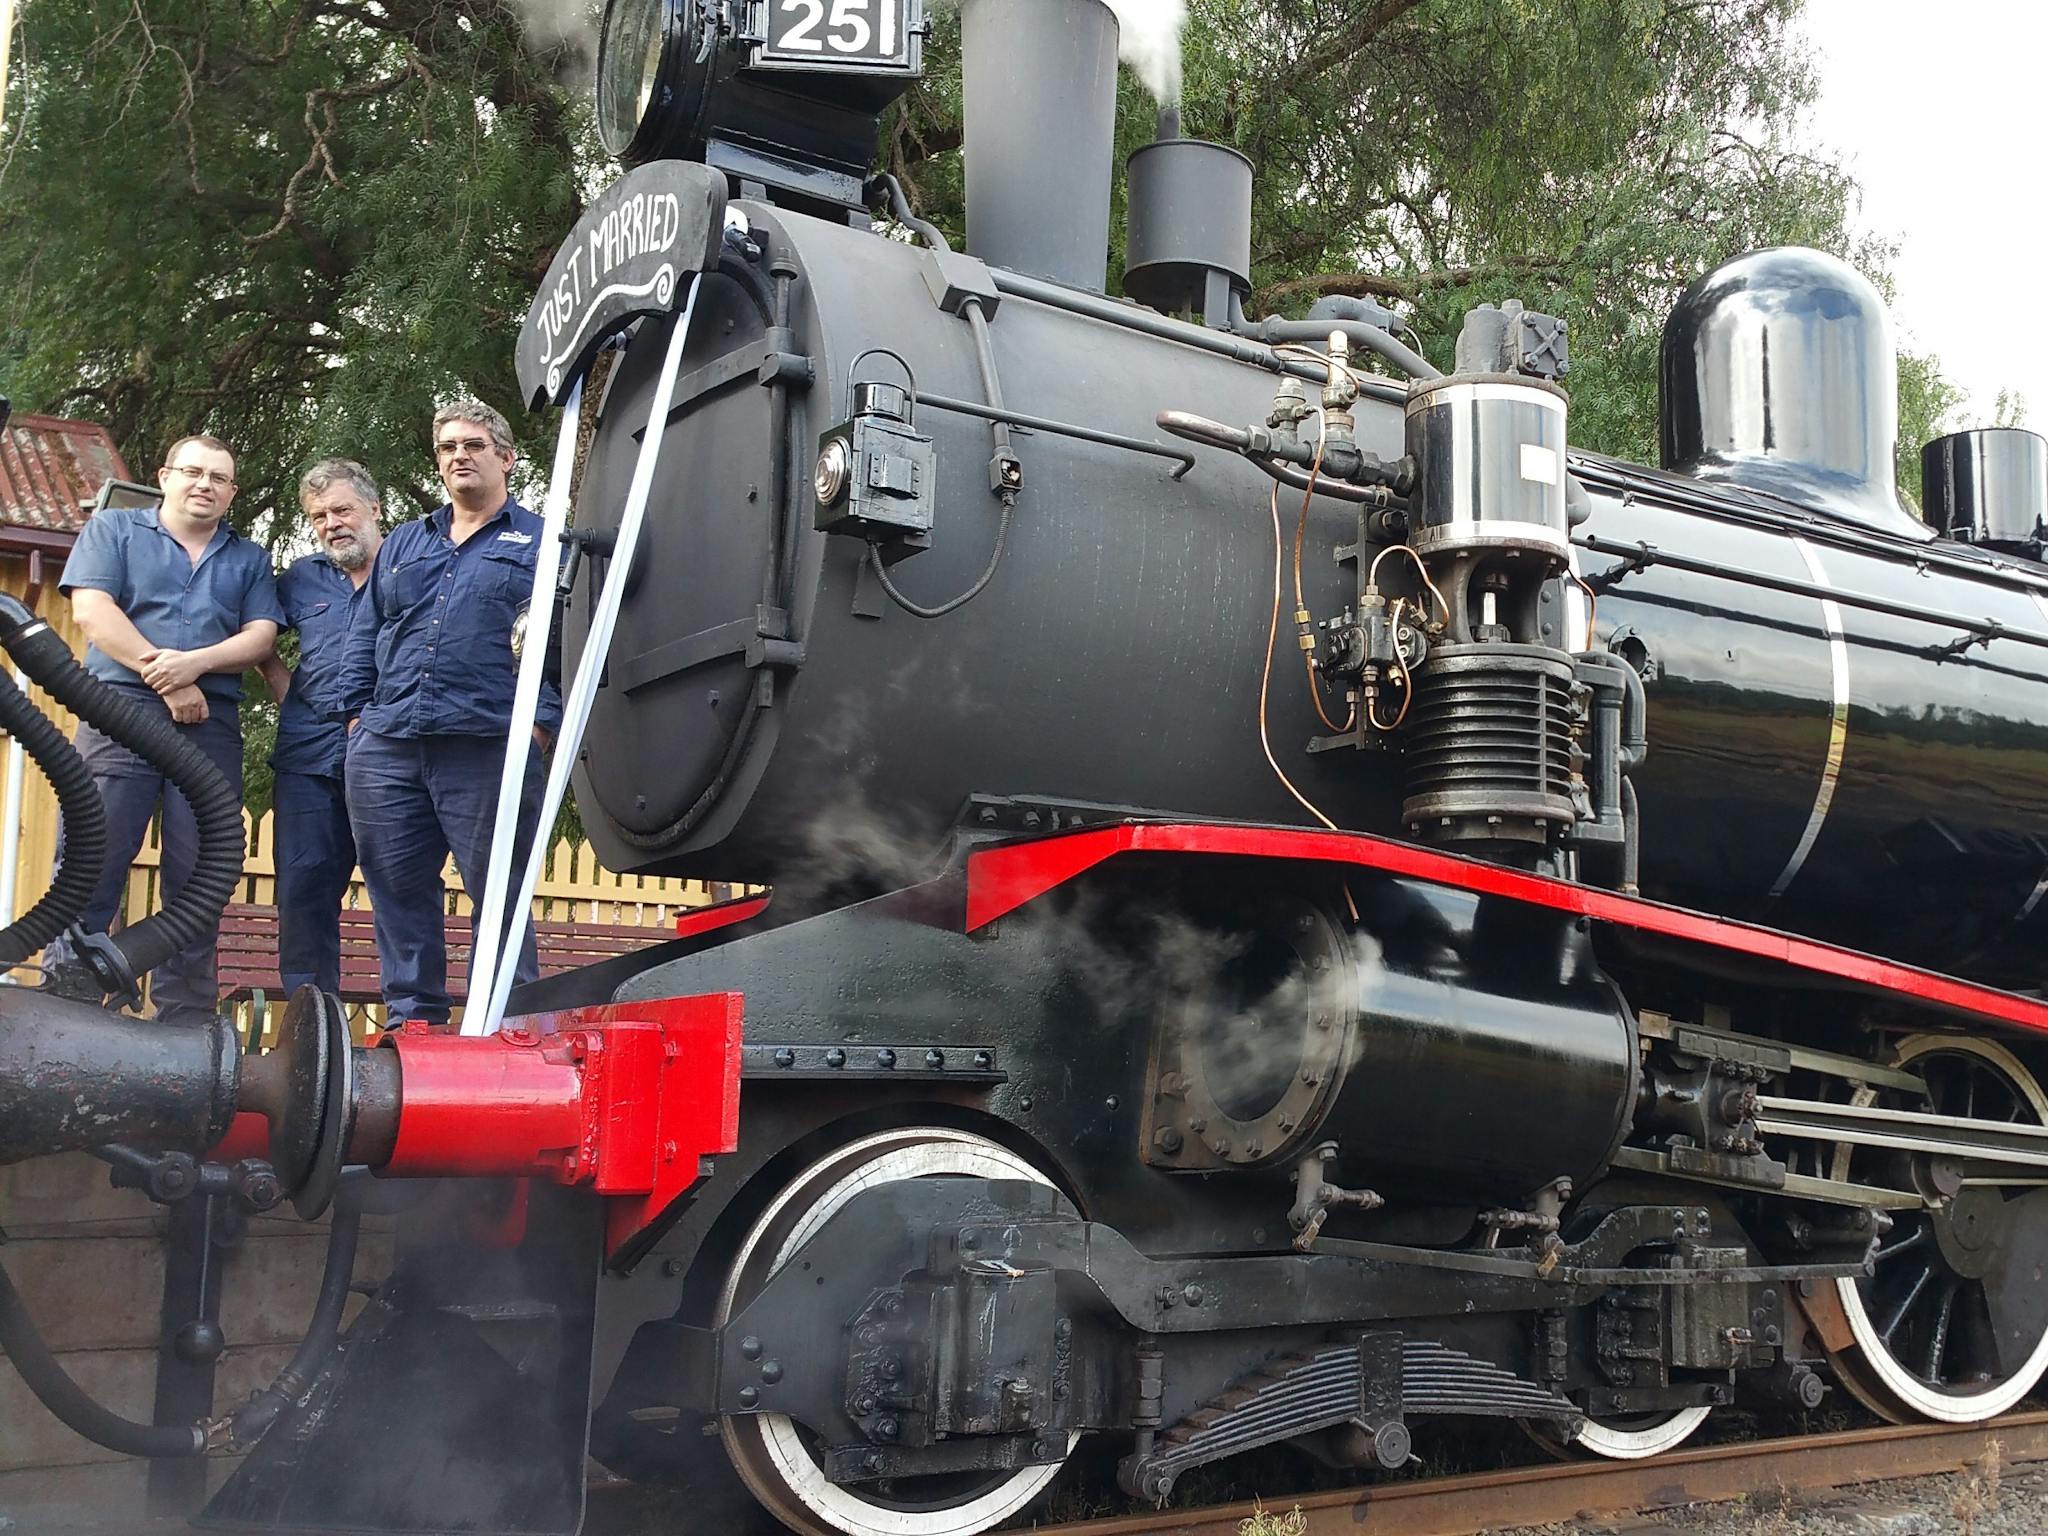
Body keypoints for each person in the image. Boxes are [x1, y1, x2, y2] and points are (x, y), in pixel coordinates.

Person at [337, 398, 560, 1025]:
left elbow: (570, 636)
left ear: (506, 459)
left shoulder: (544, 542)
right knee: (398, 889)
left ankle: (506, 1027)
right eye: (447, 448)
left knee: (500, 895)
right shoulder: (407, 540)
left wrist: (541, 725)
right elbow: (367, 629)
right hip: (389, 745)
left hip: (490, 744)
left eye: (473, 445)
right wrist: (356, 716)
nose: (459, 456)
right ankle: (414, 1022)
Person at [51, 433, 283, 1022]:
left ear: (232, 492)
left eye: (219, 478)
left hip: (209, 726)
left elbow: (260, 637)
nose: (204, 484)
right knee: (90, 862)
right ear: (165, 476)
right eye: (193, 472)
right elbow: (93, 612)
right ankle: (66, 1009)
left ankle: (183, 1026)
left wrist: (196, 666)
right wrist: (169, 678)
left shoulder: (248, 559)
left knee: (200, 875)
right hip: (118, 715)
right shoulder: (114, 532)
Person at [259, 460, 384, 998]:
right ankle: (311, 1021)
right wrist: (284, 685)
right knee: (303, 887)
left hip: (389, 754)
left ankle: (410, 1018)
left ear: (374, 509)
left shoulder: (414, 568)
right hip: (307, 756)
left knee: (398, 885)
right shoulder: (301, 579)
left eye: (341, 510)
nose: (330, 523)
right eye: (317, 516)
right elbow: (256, 632)